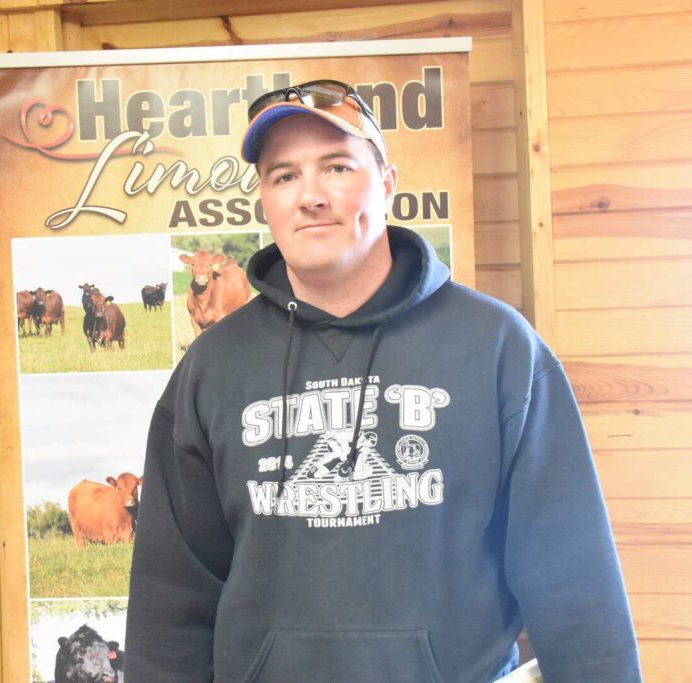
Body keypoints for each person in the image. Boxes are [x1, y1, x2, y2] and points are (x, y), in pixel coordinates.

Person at [125, 79, 643, 682]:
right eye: (283, 176)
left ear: (389, 184)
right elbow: (171, 602)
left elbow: (576, 587)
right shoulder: (211, 370)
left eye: (337, 167)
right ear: (265, 199)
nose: (310, 196)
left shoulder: (497, 348)